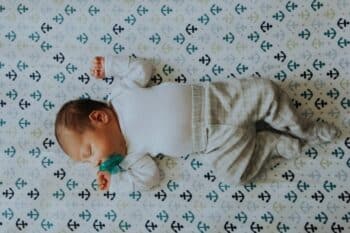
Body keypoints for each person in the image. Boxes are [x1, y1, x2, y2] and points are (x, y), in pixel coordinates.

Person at [54, 55, 340, 191]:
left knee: (267, 91)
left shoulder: (121, 93)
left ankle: (307, 129)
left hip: (215, 100)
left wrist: (111, 67)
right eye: (87, 162)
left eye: (89, 151)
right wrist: (116, 180)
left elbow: (143, 69)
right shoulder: (130, 159)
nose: (94, 163)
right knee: (234, 175)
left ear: (99, 118)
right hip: (214, 143)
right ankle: (270, 144)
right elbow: (151, 178)